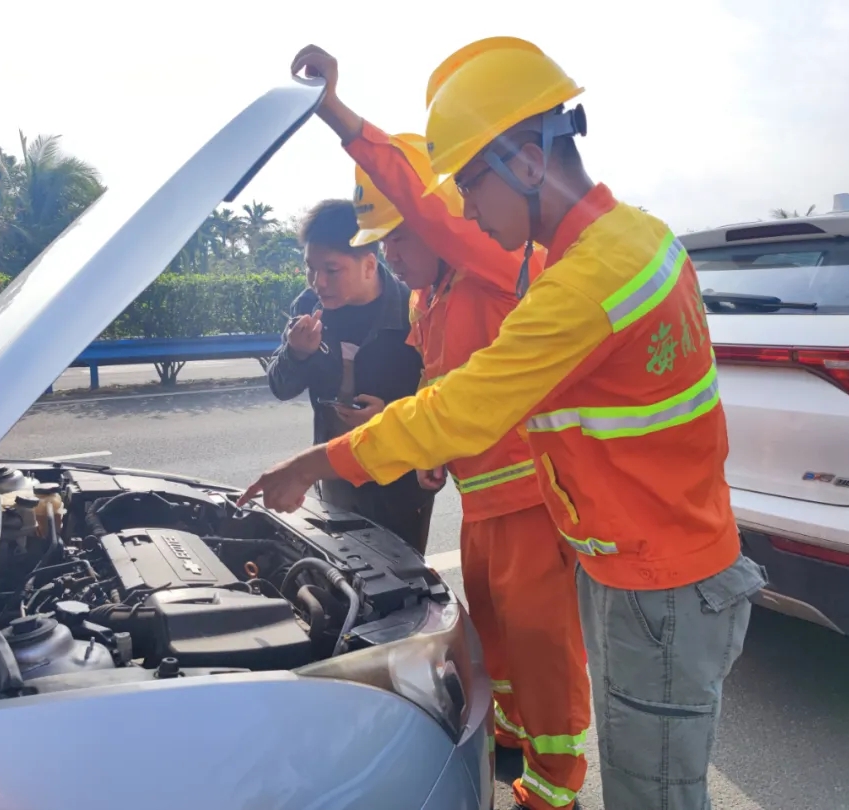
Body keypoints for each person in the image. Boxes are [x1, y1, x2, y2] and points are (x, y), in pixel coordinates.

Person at [245, 37, 767, 810]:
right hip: (647, 559)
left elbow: (459, 404)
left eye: (470, 185)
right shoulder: (632, 239)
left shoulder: (584, 281)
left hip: (657, 577)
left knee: (650, 790)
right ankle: (535, 769)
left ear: (525, 162)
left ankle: (551, 786)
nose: (465, 210)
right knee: (628, 761)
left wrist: (313, 461)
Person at [292, 45, 590, 810]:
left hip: (529, 502)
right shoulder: (430, 301)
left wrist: (338, 113)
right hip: (482, 506)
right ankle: (512, 746)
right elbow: (442, 390)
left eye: (399, 238)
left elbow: (419, 199)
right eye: (382, 243)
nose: (391, 255)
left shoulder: (491, 264)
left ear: (439, 226)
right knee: (495, 635)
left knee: (542, 646)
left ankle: (555, 786)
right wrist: (436, 457)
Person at [265, 198, 435, 553]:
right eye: (310, 269)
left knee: (400, 576)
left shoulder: (412, 311)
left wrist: (389, 414)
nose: (318, 282)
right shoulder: (308, 308)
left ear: (369, 264)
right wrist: (297, 353)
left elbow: (438, 394)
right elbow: (280, 386)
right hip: (334, 476)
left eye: (331, 270)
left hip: (398, 483)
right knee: (339, 572)